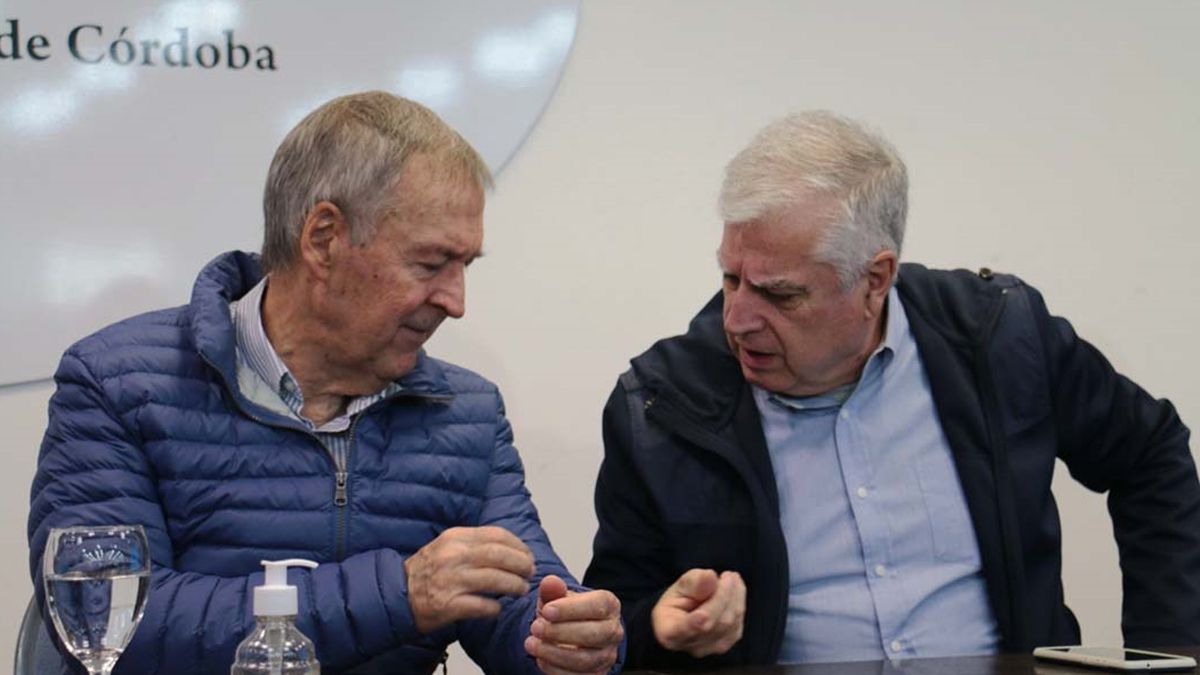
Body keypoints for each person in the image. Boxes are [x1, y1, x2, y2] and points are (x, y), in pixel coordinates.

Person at [28, 91, 624, 675]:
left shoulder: (465, 412)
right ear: (323, 240)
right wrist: (399, 595)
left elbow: (521, 595)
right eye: (430, 264)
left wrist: (565, 638)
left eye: (464, 266)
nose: (456, 301)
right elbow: (110, 621)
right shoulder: (119, 383)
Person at [583, 110, 1200, 668]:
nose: (739, 318)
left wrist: (1168, 651)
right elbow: (617, 622)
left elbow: (1150, 455)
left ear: (875, 279)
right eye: (730, 278)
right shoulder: (661, 405)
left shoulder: (996, 337)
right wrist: (663, 628)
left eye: (779, 294)